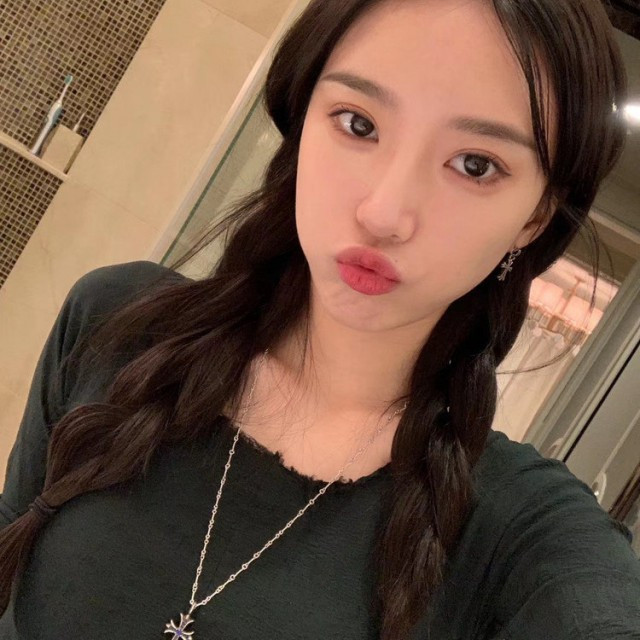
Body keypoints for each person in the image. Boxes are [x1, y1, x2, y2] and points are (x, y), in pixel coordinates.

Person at [1, 0, 639, 638]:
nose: (384, 213)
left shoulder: (521, 533)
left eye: (475, 165)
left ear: (535, 217)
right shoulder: (116, 323)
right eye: (358, 124)